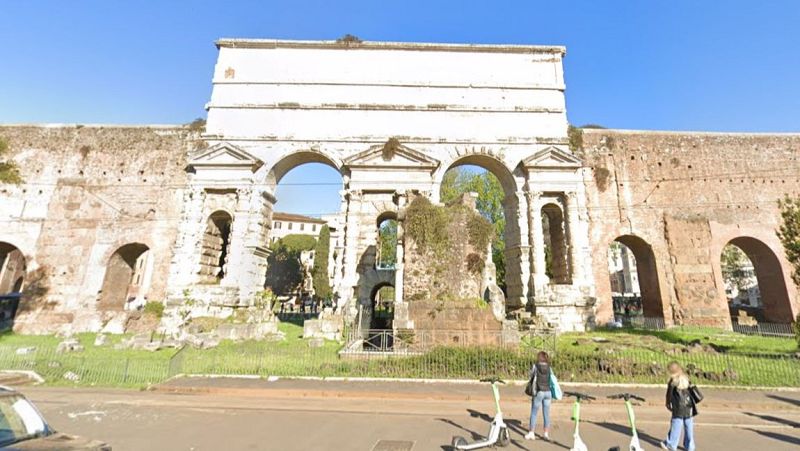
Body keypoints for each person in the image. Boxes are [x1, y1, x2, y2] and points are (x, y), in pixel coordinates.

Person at [661, 361, 697, 451]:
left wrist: (668, 403)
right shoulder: (686, 378)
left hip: (678, 408)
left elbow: (668, 395)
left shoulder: (673, 382)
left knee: (676, 425)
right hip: (689, 407)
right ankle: (690, 446)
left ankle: (672, 444)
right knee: (689, 427)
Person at [525, 351, 555, 441]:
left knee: (534, 412)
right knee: (546, 413)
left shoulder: (536, 366)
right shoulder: (549, 367)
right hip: (548, 392)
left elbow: (531, 375)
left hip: (539, 391)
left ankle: (531, 433)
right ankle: (546, 433)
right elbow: (552, 377)